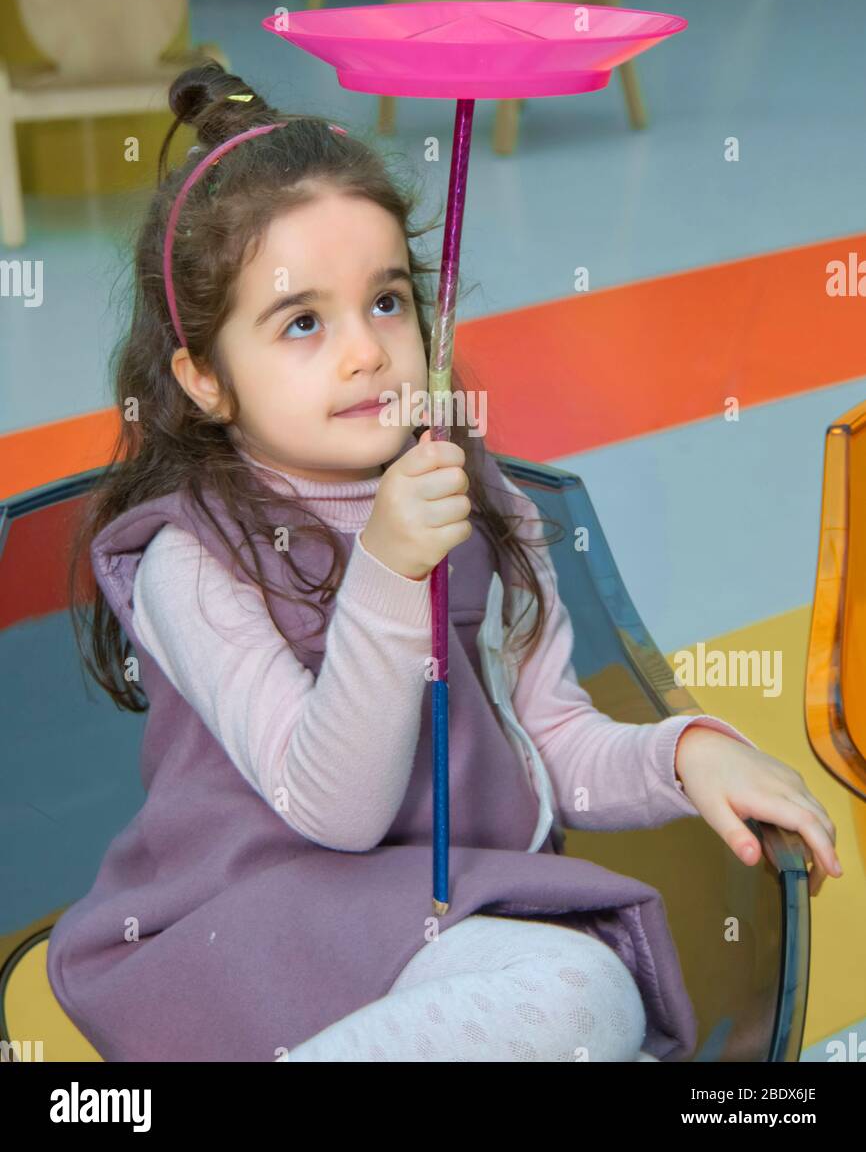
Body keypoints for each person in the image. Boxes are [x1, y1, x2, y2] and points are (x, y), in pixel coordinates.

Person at [47, 61, 841, 1063]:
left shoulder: (483, 501)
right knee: (577, 992)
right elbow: (331, 811)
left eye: (385, 301)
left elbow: (546, 740)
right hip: (249, 938)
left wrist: (684, 754)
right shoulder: (190, 561)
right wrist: (385, 569)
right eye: (301, 322)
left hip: (436, 922)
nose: (366, 352)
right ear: (204, 378)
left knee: (594, 1012)